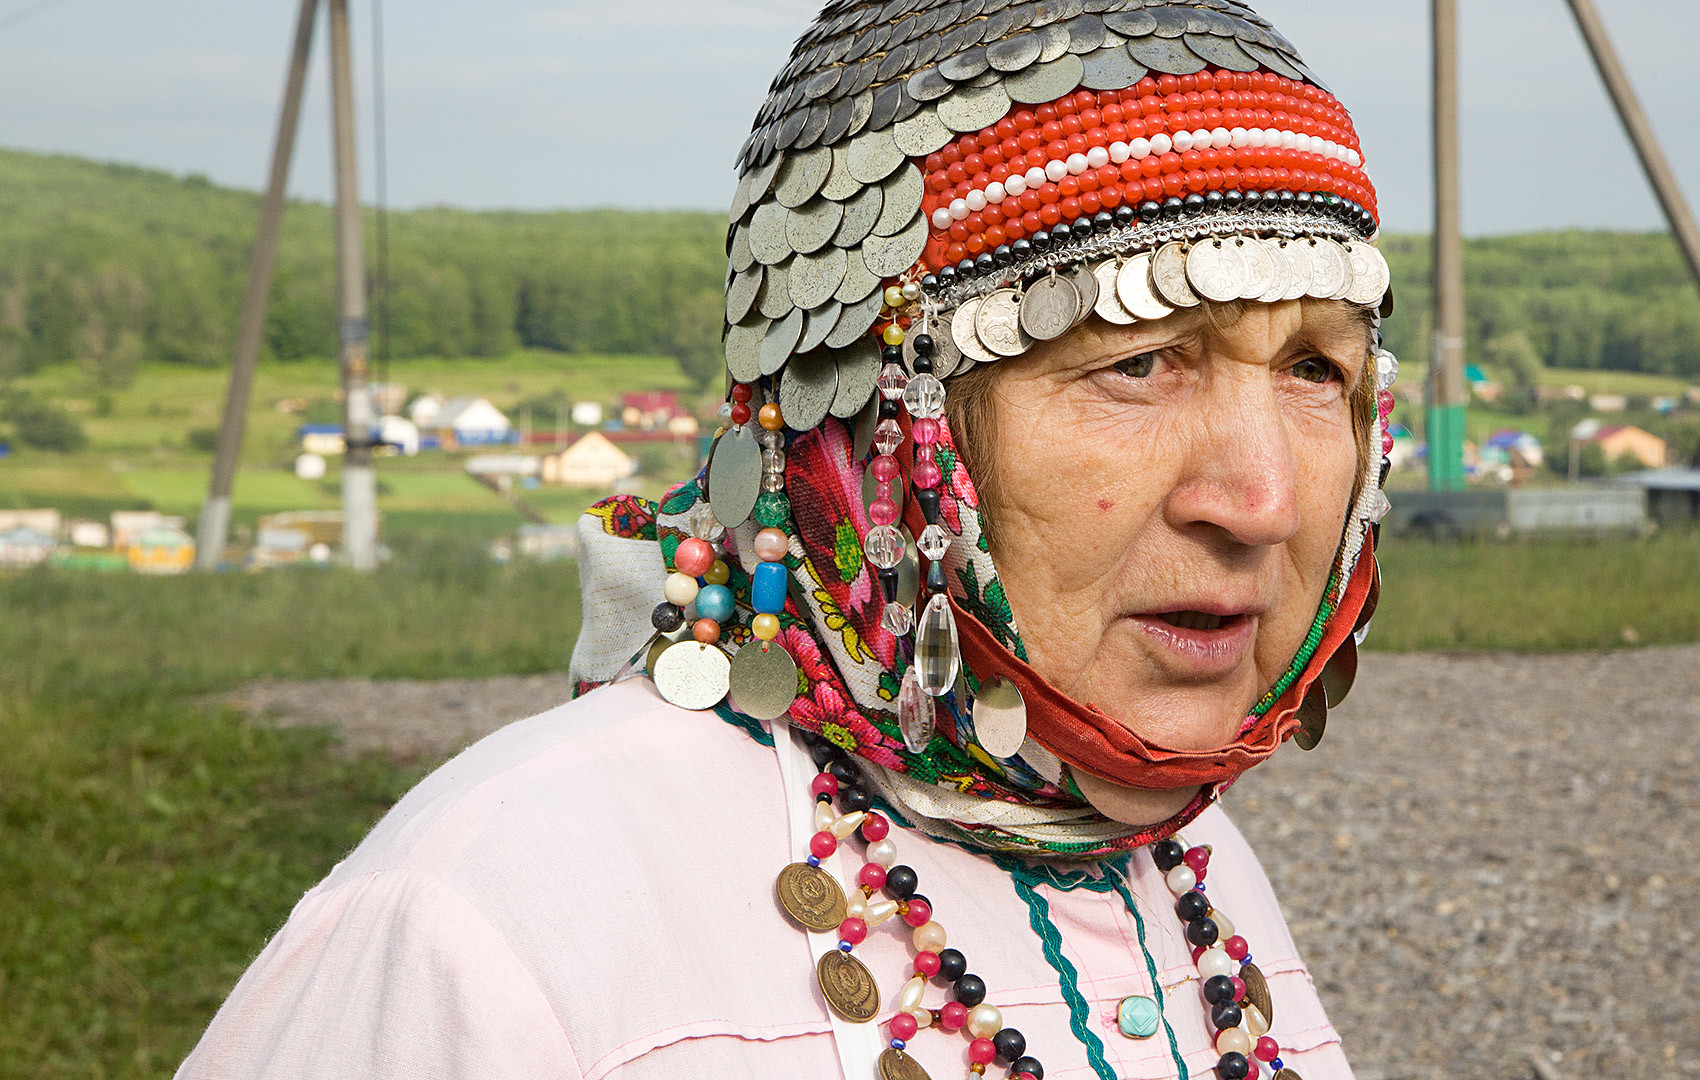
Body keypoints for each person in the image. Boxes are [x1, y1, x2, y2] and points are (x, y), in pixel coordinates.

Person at [178, 0, 1397, 1076]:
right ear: (872, 430)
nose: (1265, 502)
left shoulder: (1194, 863)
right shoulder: (502, 911)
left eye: (1312, 369)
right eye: (1137, 362)